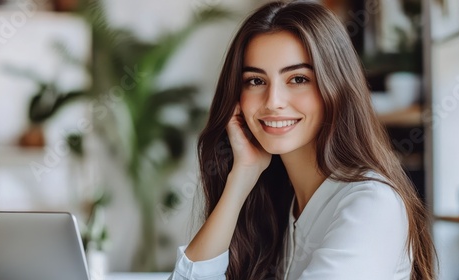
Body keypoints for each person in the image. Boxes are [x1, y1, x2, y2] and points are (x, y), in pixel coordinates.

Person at [169, 1, 436, 279]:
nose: (273, 102)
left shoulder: (371, 204)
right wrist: (241, 179)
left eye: (298, 79)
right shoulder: (278, 201)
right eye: (256, 81)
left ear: (336, 87)